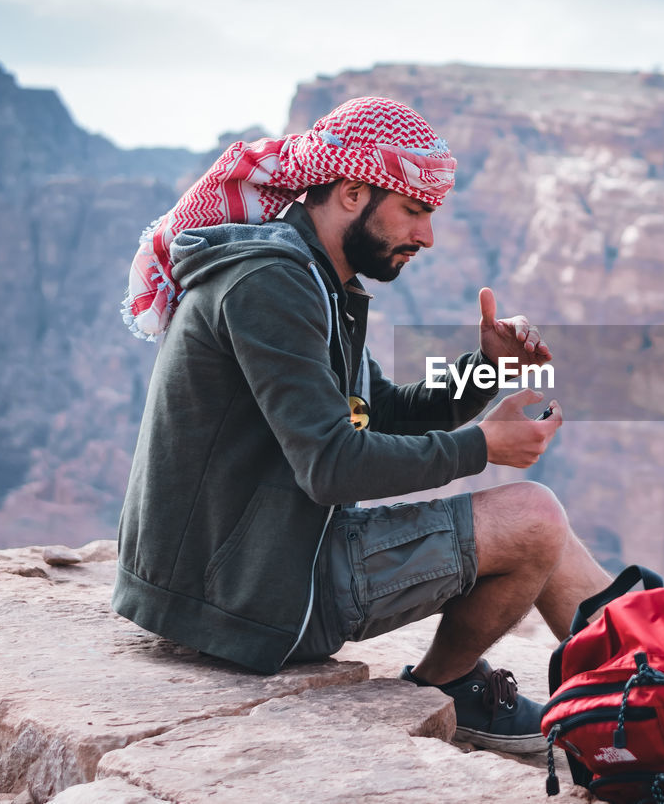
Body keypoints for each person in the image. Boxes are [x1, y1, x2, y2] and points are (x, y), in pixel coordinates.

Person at [113, 96, 613, 755]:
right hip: (245, 596)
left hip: (259, 565)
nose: (427, 236)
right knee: (535, 518)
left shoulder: (315, 280)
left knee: (538, 523)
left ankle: (653, 681)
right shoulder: (273, 284)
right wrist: (483, 445)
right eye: (414, 210)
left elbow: (387, 410)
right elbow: (331, 464)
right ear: (351, 192)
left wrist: (487, 367)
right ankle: (494, 691)